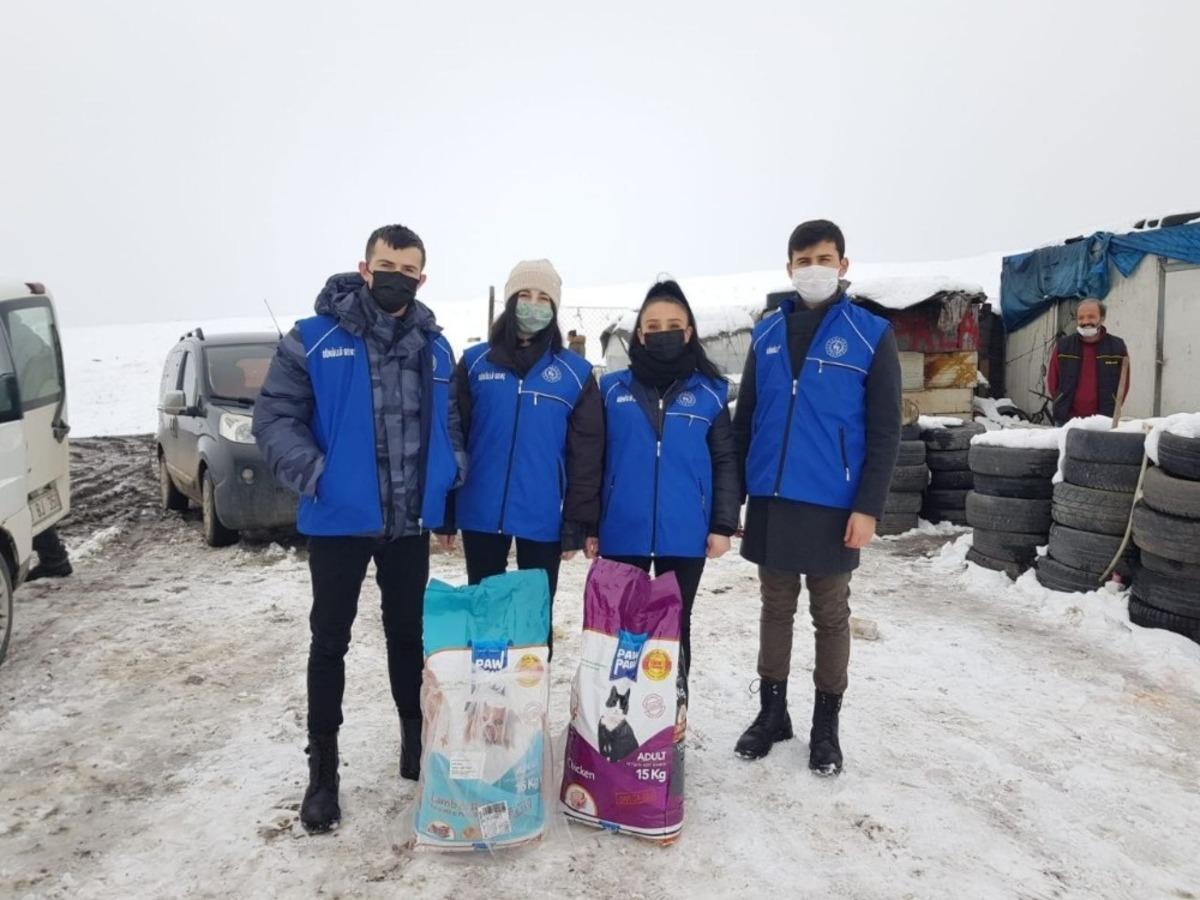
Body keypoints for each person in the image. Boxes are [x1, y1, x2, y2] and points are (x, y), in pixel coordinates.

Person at [252, 224, 465, 834]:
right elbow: (275, 418)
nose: (396, 274)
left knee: (407, 637)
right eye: (385, 263)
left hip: (407, 524)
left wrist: (450, 474)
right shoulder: (314, 339)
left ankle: (413, 741)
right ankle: (323, 772)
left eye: (409, 268)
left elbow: (447, 422)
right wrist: (318, 475)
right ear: (365, 268)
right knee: (330, 641)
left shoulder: (435, 347)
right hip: (339, 522)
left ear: (422, 277)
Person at [732, 219, 901, 776]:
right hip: (774, 497)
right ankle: (772, 713)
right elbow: (747, 419)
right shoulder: (766, 333)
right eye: (803, 261)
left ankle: (825, 728)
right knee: (775, 608)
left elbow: (884, 429)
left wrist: (869, 506)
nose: (813, 270)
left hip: (834, 501)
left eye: (824, 258)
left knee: (830, 615)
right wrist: (732, 496)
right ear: (789, 268)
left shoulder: (871, 333)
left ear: (844, 265)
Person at [586, 279, 740, 681]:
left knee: (675, 626)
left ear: (689, 332)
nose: (663, 333)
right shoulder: (610, 390)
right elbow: (592, 460)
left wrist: (722, 524)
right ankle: (618, 718)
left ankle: (671, 717)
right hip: (622, 529)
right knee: (623, 626)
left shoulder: (710, 392)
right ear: (639, 334)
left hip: (685, 532)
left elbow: (725, 460)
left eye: (673, 324)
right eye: (652, 326)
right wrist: (587, 525)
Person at [451, 260, 602, 658]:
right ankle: (486, 705)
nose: (533, 305)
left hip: (542, 516)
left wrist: (576, 522)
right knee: (485, 613)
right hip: (481, 511)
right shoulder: (475, 363)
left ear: (554, 308)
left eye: (543, 298)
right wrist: (447, 509)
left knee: (534, 618)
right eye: (525, 296)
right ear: (510, 301)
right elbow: (454, 438)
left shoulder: (575, 374)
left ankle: (530, 705)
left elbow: (585, 455)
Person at [1046, 299, 1129, 424]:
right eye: (1081, 318)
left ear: (1102, 318)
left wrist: (1113, 406)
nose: (1085, 322)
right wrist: (1059, 400)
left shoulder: (1117, 347)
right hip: (1067, 420)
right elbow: (1053, 380)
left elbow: (1124, 384)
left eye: (1091, 317)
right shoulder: (1064, 346)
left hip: (1103, 420)